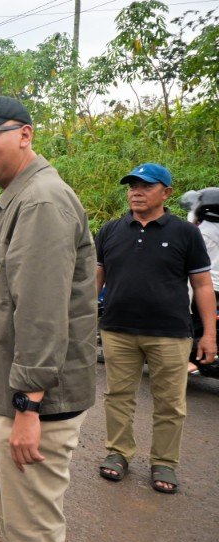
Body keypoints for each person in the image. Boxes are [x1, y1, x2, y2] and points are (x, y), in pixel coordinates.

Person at [0, 96, 96, 542]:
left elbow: (41, 313)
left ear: (25, 135)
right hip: (18, 396)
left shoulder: (40, 203)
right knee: (14, 516)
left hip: (35, 404)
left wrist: (28, 407)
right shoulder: (22, 198)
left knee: (33, 534)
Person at [96, 163, 216, 494]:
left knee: (170, 403)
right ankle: (118, 452)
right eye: (132, 186)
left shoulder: (185, 233)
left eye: (146, 186)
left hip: (170, 333)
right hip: (117, 330)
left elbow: (203, 285)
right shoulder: (111, 230)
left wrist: (208, 334)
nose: (136, 192)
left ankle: (164, 461)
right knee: (118, 396)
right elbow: (96, 279)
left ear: (166, 193)